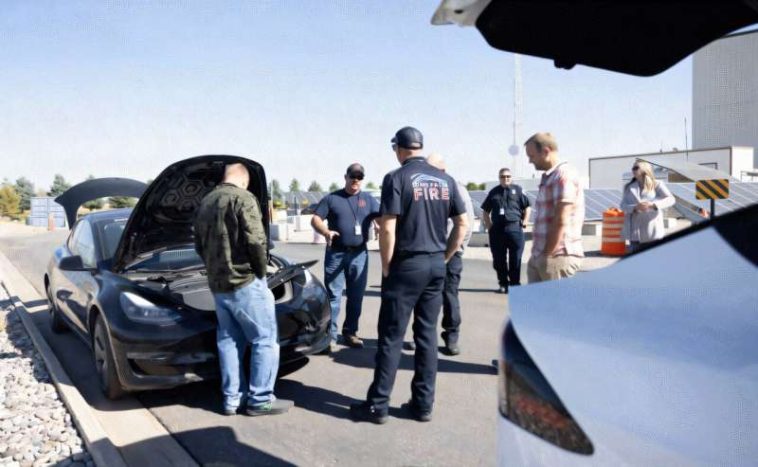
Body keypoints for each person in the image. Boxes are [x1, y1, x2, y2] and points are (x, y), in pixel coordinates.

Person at [350, 126, 468, 424]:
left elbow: (387, 226)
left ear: (399, 149)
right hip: (435, 264)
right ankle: (423, 404)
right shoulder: (446, 179)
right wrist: (445, 256)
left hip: (406, 264)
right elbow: (463, 225)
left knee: (391, 337)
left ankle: (378, 405)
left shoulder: (397, 177)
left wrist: (387, 266)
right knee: (427, 336)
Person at [194, 163, 293, 416]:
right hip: (245, 282)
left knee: (228, 341)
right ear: (244, 181)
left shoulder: (205, 202)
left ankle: (231, 400)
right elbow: (256, 240)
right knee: (265, 341)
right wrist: (261, 271)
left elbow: (198, 244)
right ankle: (260, 399)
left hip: (218, 285)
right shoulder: (243, 198)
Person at [311, 163, 380, 352]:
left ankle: (350, 332)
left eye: (359, 177)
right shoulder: (332, 198)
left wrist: (379, 224)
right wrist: (325, 231)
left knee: (356, 297)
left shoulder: (369, 199)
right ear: (346, 177)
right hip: (336, 253)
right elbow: (315, 219)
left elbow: (381, 216)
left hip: (359, 255)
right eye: (353, 176)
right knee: (334, 297)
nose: (356, 180)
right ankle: (330, 337)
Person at [426, 153, 474, 356]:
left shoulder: (456, 188)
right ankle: (424, 336)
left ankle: (451, 336)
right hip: (428, 251)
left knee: (449, 295)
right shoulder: (427, 188)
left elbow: (465, 225)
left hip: (449, 253)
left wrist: (451, 252)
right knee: (425, 297)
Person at [524, 132, 585, 283]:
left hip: (557, 257)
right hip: (543, 256)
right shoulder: (550, 177)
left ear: (545, 151)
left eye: (531, 156)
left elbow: (561, 220)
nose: (530, 161)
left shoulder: (563, 176)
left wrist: (547, 255)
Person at [480, 168, 531, 293]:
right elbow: (485, 211)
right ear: (499, 178)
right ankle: (503, 284)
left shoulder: (518, 191)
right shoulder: (494, 192)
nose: (506, 179)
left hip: (515, 228)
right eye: (503, 177)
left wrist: (525, 221)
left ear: (511, 177)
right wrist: (489, 226)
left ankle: (514, 284)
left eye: (508, 176)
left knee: (515, 259)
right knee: (499, 259)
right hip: (498, 230)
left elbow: (527, 206)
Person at [620, 160, 675, 252]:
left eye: (636, 168)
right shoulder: (629, 187)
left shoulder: (657, 184)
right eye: (632, 168)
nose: (633, 170)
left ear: (645, 169)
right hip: (634, 233)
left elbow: (671, 199)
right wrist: (635, 207)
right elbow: (623, 206)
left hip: (651, 231)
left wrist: (653, 205)